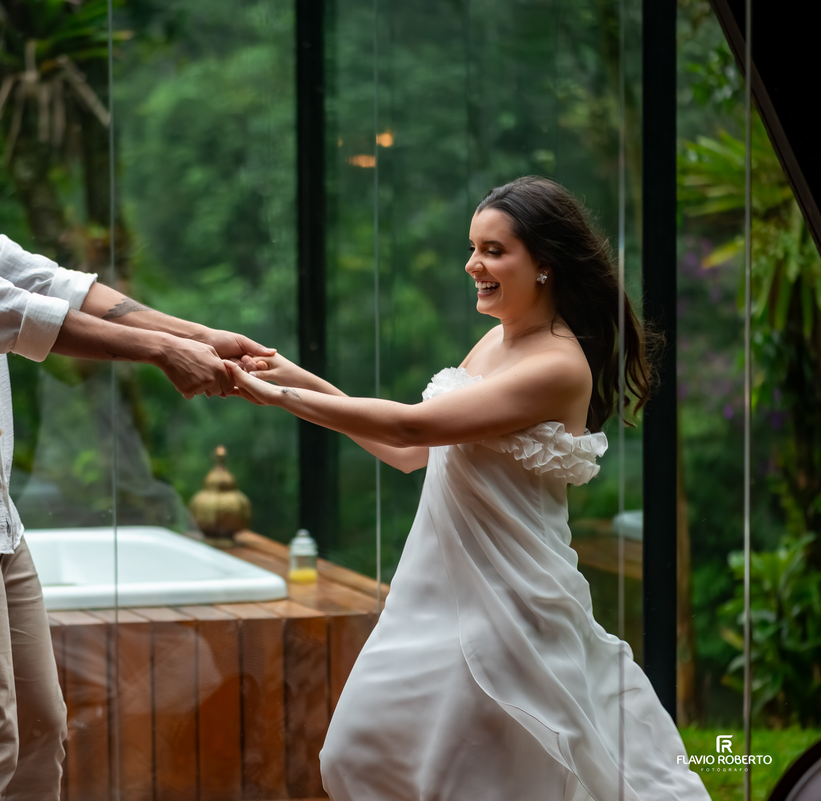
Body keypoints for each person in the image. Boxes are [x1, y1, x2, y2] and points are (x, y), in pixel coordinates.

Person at [0, 25, 271, 801]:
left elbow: (52, 282)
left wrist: (194, 332)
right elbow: (0, 310)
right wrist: (161, 355)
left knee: (35, 734)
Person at [229, 176, 711, 800]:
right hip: (433, 594)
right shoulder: (495, 341)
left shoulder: (558, 365)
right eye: (472, 246)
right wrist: (290, 377)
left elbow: (411, 422)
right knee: (354, 753)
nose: (472, 264)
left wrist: (278, 394)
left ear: (545, 264)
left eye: (493, 250)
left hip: (510, 602)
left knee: (496, 778)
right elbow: (409, 452)